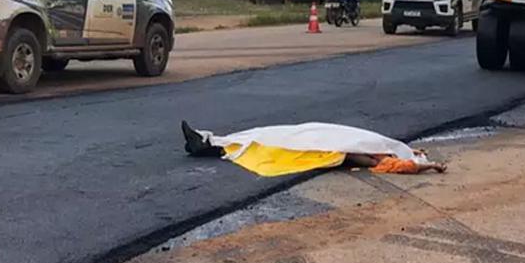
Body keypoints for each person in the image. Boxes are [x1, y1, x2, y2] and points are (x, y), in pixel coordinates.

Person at [181, 121, 447, 175]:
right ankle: (210, 140)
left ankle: (208, 144)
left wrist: (432, 166)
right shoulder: (383, 147)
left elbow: (406, 166)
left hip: (322, 149)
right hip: (322, 137)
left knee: (265, 146)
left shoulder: (375, 158)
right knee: (265, 135)